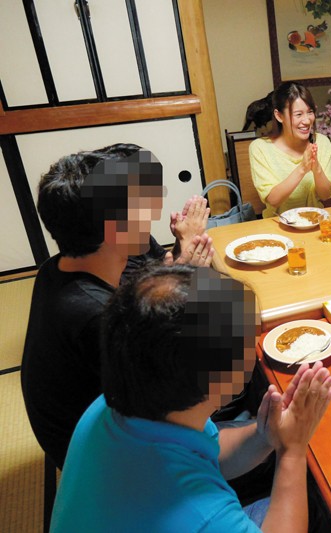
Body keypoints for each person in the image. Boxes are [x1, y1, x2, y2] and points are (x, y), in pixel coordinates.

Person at [51, 265, 331, 533]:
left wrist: (267, 435)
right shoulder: (203, 517)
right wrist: (293, 450)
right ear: (221, 377)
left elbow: (210, 452)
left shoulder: (117, 404)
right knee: (325, 508)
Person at [20, 143, 213, 468]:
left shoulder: (56, 269)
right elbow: (176, 383)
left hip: (102, 428)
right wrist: (189, 286)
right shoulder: (99, 315)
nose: (151, 212)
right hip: (108, 463)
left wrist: (175, 273)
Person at [249, 82, 331, 217]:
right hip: (277, 224)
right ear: (279, 116)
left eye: (310, 112)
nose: (307, 121)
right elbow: (273, 200)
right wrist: (302, 168)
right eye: (298, 114)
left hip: (315, 221)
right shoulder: (260, 148)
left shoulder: (321, 142)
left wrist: (316, 168)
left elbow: (326, 195)